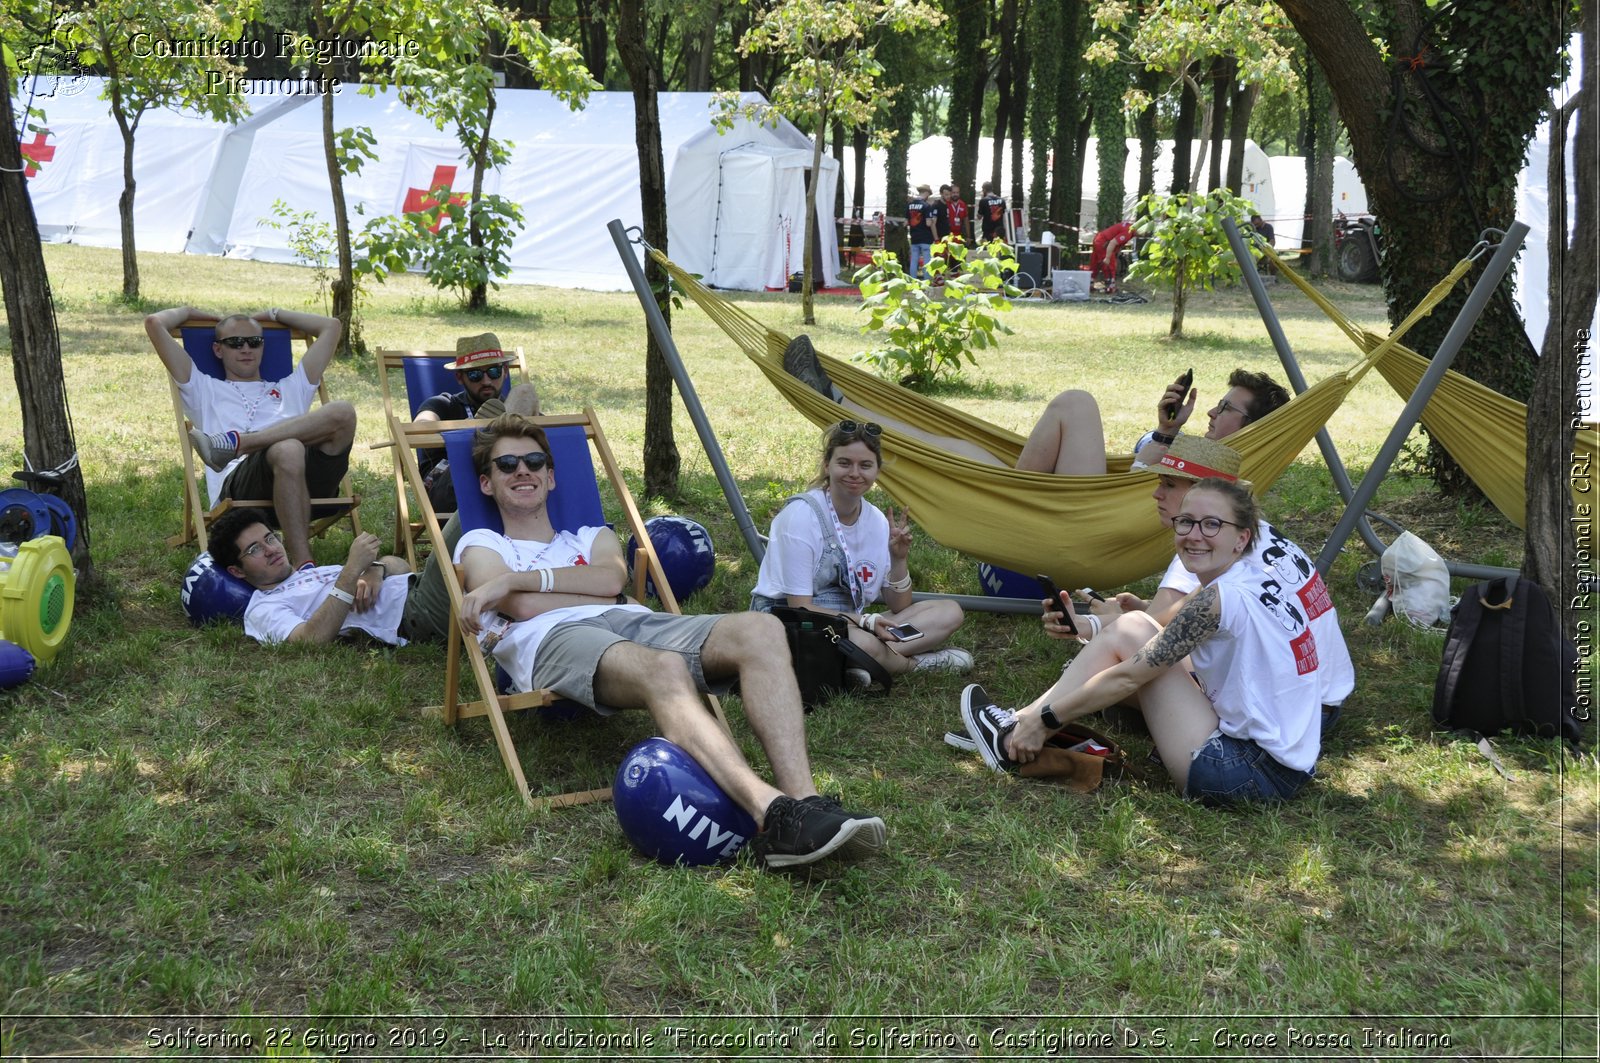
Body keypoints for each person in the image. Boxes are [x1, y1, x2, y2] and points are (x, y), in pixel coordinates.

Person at [455, 415, 887, 869]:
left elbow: (611, 578)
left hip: (630, 617)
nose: (522, 470)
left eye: (533, 460)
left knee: (761, 629)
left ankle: (806, 802)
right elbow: (521, 610)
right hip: (554, 637)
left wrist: (518, 582)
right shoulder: (480, 542)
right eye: (506, 464)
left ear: (551, 474)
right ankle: (772, 814)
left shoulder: (590, 534)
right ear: (487, 484)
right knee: (663, 667)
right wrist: (547, 590)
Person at [961, 478, 1326, 805]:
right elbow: (1155, 627)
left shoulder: (1217, 599)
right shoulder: (1254, 573)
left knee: (1130, 641)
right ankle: (1015, 726)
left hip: (1244, 773)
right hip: (1289, 764)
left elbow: (1128, 677)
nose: (1194, 534)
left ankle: (1016, 735)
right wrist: (1090, 624)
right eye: (1185, 522)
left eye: (1212, 524)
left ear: (1241, 537)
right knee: (1133, 627)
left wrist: (1048, 720)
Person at [1040, 435, 1354, 733]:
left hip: (1292, 717)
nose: (1157, 494)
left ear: (1203, 495)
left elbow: (1159, 624)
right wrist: (1131, 613)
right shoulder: (1248, 534)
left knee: (1108, 670)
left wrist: (1090, 625)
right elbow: (1186, 613)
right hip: (1321, 700)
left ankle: (1031, 723)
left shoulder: (1204, 545)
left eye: (1168, 484)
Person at [781, 334, 1291, 476]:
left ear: (1250, 426)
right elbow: (1140, 460)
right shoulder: (1193, 447)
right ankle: (843, 405)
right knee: (964, 448)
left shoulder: (1228, 467)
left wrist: (1168, 443)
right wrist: (1165, 429)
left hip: (1090, 516)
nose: (1211, 413)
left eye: (1225, 409)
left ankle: (842, 406)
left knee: (1077, 404)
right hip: (1089, 501)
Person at [750, 420, 972, 681]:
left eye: (865, 465)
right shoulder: (801, 517)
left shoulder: (876, 520)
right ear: (827, 465)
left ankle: (856, 665)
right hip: (791, 625)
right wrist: (866, 623)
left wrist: (898, 559)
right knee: (861, 642)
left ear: (877, 470)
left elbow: (899, 604)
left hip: (853, 624)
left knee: (949, 611)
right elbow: (801, 607)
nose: (855, 473)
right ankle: (915, 664)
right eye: (844, 463)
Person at [146, 305, 353, 568]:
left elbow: (331, 327)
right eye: (234, 343)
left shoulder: (290, 387)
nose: (246, 349)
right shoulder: (203, 388)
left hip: (308, 482)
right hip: (241, 484)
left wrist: (275, 314)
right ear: (218, 349)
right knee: (288, 448)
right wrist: (190, 311)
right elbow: (154, 323)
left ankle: (237, 444)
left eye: (254, 342)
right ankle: (304, 565)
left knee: (344, 412)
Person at [210, 506, 442, 646]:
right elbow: (309, 641)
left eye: (270, 538)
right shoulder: (263, 608)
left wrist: (376, 570)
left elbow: (400, 565)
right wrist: (351, 570)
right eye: (255, 549)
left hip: (421, 586)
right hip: (414, 612)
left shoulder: (310, 574)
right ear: (237, 570)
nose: (271, 549)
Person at [414, 332, 541, 512]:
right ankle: (487, 436)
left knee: (524, 392)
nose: (486, 380)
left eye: (494, 371)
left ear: (505, 372)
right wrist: (464, 433)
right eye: (475, 374)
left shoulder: (519, 408)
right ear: (460, 377)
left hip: (508, 486)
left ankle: (496, 435)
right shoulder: (443, 404)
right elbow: (419, 427)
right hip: (451, 489)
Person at [1091, 219, 1136, 291]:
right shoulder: (1128, 232)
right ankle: (1110, 286)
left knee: (1095, 263)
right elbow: (1112, 243)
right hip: (1104, 243)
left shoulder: (1129, 226)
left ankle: (1089, 283)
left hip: (1099, 239)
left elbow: (1117, 242)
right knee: (1109, 265)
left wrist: (1117, 251)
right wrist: (1108, 257)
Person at [907, 184, 937, 280]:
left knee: (914, 260)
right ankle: (926, 281)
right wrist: (932, 220)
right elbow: (928, 223)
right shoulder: (926, 206)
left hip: (914, 236)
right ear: (926, 193)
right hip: (925, 238)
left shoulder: (910, 205)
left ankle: (913, 281)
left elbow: (906, 222)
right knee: (927, 261)